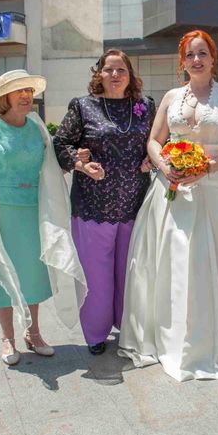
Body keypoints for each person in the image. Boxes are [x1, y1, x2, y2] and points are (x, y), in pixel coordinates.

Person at [118, 30, 218, 381]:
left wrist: (205, 168)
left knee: (212, 262)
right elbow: (155, 141)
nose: (196, 60)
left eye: (202, 54)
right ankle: (171, 338)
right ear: (182, 61)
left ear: (213, 59)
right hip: (173, 190)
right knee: (174, 262)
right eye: (189, 55)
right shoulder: (170, 97)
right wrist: (165, 166)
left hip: (215, 191)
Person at [53, 49, 156, 355]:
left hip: (135, 203)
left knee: (131, 272)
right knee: (96, 275)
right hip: (92, 206)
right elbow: (61, 142)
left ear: (130, 74)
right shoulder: (83, 106)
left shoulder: (145, 106)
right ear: (98, 74)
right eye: (108, 70)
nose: (114, 75)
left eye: (120, 70)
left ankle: (129, 329)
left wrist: (151, 159)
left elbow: (157, 141)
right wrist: (79, 163)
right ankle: (96, 334)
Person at [0, 70, 87, 365]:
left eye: (28, 90)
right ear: (5, 97)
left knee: (31, 276)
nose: (25, 95)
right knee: (2, 276)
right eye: (18, 90)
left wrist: (78, 163)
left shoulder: (37, 127)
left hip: (33, 212)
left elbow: (54, 166)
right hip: (0, 213)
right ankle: (7, 339)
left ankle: (34, 333)